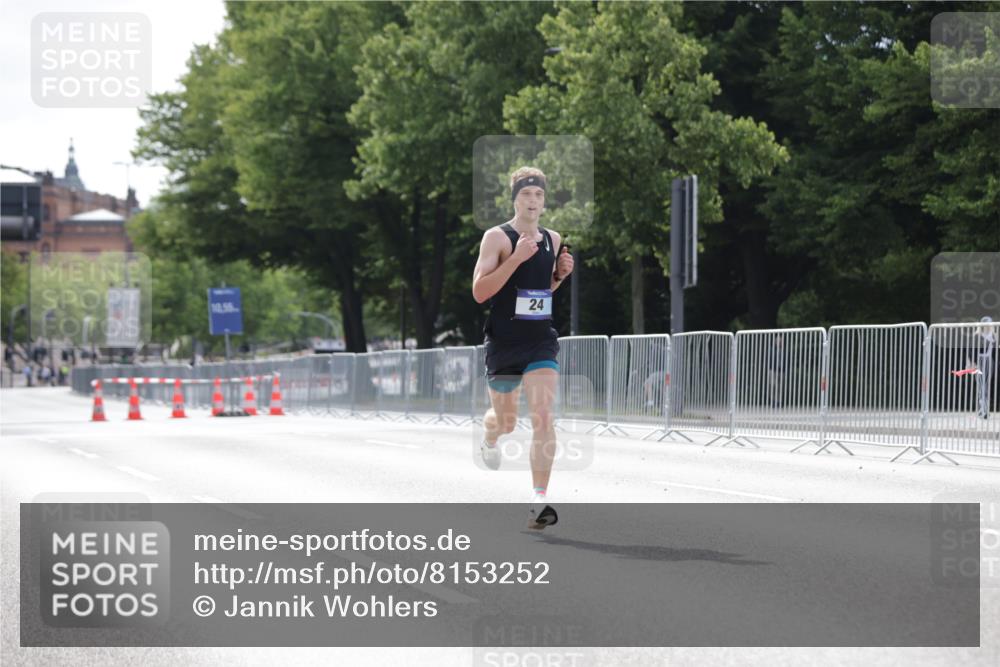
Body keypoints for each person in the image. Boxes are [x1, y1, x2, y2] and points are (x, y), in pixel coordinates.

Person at [472, 167, 574, 529]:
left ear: (545, 201)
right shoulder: (497, 238)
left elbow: (540, 296)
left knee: (543, 415)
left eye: (539, 195)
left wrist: (558, 276)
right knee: (506, 421)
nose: (533, 201)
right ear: (514, 198)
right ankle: (489, 435)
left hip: (540, 340)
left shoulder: (553, 237)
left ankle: (538, 501)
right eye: (527, 194)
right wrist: (515, 257)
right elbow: (481, 292)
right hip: (504, 342)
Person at [975, 316, 996, 420]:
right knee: (981, 386)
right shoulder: (978, 335)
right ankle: (982, 410)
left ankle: (985, 410)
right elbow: (971, 351)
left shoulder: (993, 335)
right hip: (979, 361)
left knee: (986, 386)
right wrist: (972, 362)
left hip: (989, 362)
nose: (989, 325)